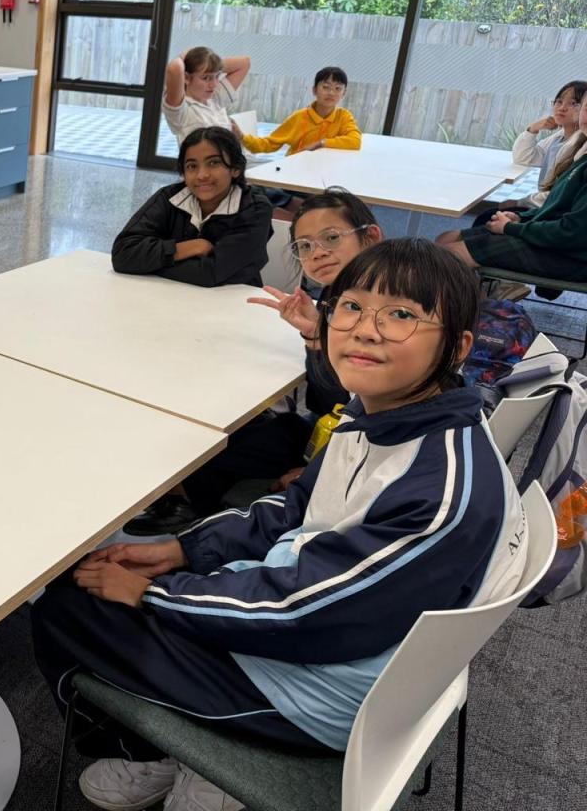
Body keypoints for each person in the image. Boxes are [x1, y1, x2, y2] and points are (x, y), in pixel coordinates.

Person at [32, 238, 528, 811]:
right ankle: (179, 740)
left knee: (66, 608)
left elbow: (302, 614)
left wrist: (155, 595)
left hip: (324, 689)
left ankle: (166, 754)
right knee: (108, 575)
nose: (365, 331)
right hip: (314, 623)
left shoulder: (438, 488)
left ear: (458, 347)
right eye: (351, 307)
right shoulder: (382, 413)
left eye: (400, 315)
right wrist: (181, 551)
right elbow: (297, 510)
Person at [127, 188, 382, 536]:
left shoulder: (383, 312)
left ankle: (198, 512)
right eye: (305, 246)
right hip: (332, 428)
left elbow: (377, 418)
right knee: (234, 433)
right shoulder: (336, 299)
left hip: (363, 454)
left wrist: (319, 472)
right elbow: (331, 400)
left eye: (332, 238)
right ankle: (187, 501)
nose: (318, 253)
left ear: (370, 237)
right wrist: (315, 338)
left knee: (246, 436)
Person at [436, 91, 587, 284]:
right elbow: (556, 208)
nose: (562, 107)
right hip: (551, 240)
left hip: (569, 256)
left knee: (447, 255)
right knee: (445, 239)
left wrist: (511, 228)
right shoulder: (581, 156)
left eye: (572, 103)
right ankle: (473, 294)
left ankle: (466, 298)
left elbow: (571, 233)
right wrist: (521, 218)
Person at [111, 126, 273, 287]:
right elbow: (123, 254)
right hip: (171, 295)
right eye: (192, 166)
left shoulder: (255, 209)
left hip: (235, 299)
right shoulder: (169, 197)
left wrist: (149, 265)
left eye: (214, 163)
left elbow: (209, 273)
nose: (202, 175)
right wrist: (188, 248)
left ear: (236, 168)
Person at [241, 66, 362, 155]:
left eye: (338, 88)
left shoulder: (343, 116)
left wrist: (321, 143)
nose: (331, 93)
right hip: (294, 170)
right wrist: (242, 137)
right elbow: (269, 144)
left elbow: (355, 141)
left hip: (324, 172)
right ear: (314, 90)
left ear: (344, 93)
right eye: (326, 87)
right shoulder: (299, 117)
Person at [161, 46, 251, 146]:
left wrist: (211, 64)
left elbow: (245, 63)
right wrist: (188, 57)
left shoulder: (216, 97)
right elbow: (175, 68)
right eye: (206, 78)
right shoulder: (182, 110)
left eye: (217, 76)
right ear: (186, 77)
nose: (214, 84)